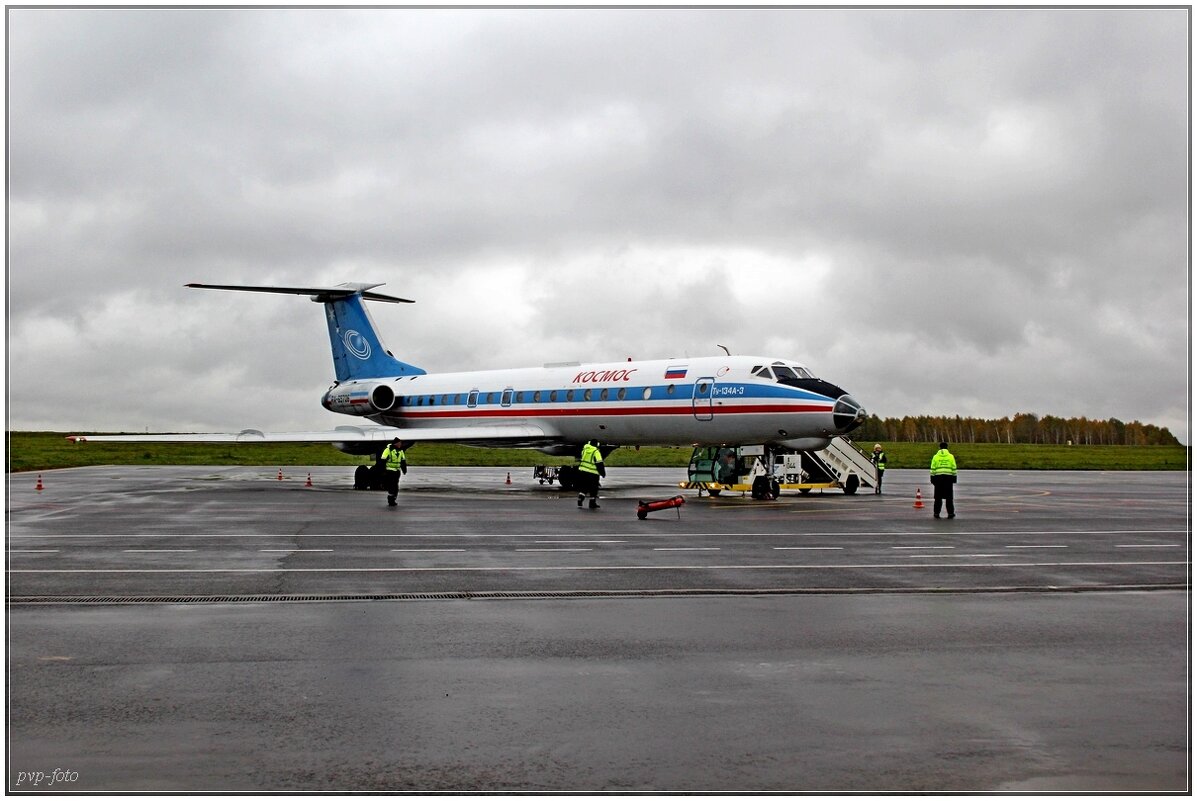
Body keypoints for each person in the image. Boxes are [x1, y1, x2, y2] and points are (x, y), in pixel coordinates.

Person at [929, 441, 957, 518]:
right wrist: (954, 478)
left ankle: (936, 513)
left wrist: (932, 478)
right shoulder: (951, 456)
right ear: (947, 447)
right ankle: (950, 513)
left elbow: (932, 468)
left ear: (940, 447)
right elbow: (954, 467)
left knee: (938, 497)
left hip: (938, 478)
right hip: (948, 478)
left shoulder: (935, 457)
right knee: (949, 498)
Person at [576, 439, 605, 509]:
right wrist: (602, 473)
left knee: (584, 487)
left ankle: (580, 498)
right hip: (593, 473)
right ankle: (592, 503)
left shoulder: (585, 450)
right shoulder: (596, 452)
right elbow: (599, 463)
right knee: (594, 488)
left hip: (583, 471)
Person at [380, 438, 408, 507]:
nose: (400, 444)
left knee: (395, 486)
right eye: (399, 443)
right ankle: (390, 499)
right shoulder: (388, 450)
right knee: (391, 486)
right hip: (389, 470)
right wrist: (383, 471)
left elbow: (403, 461)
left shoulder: (401, 451)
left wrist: (404, 469)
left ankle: (393, 498)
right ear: (396, 443)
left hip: (397, 471)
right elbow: (383, 460)